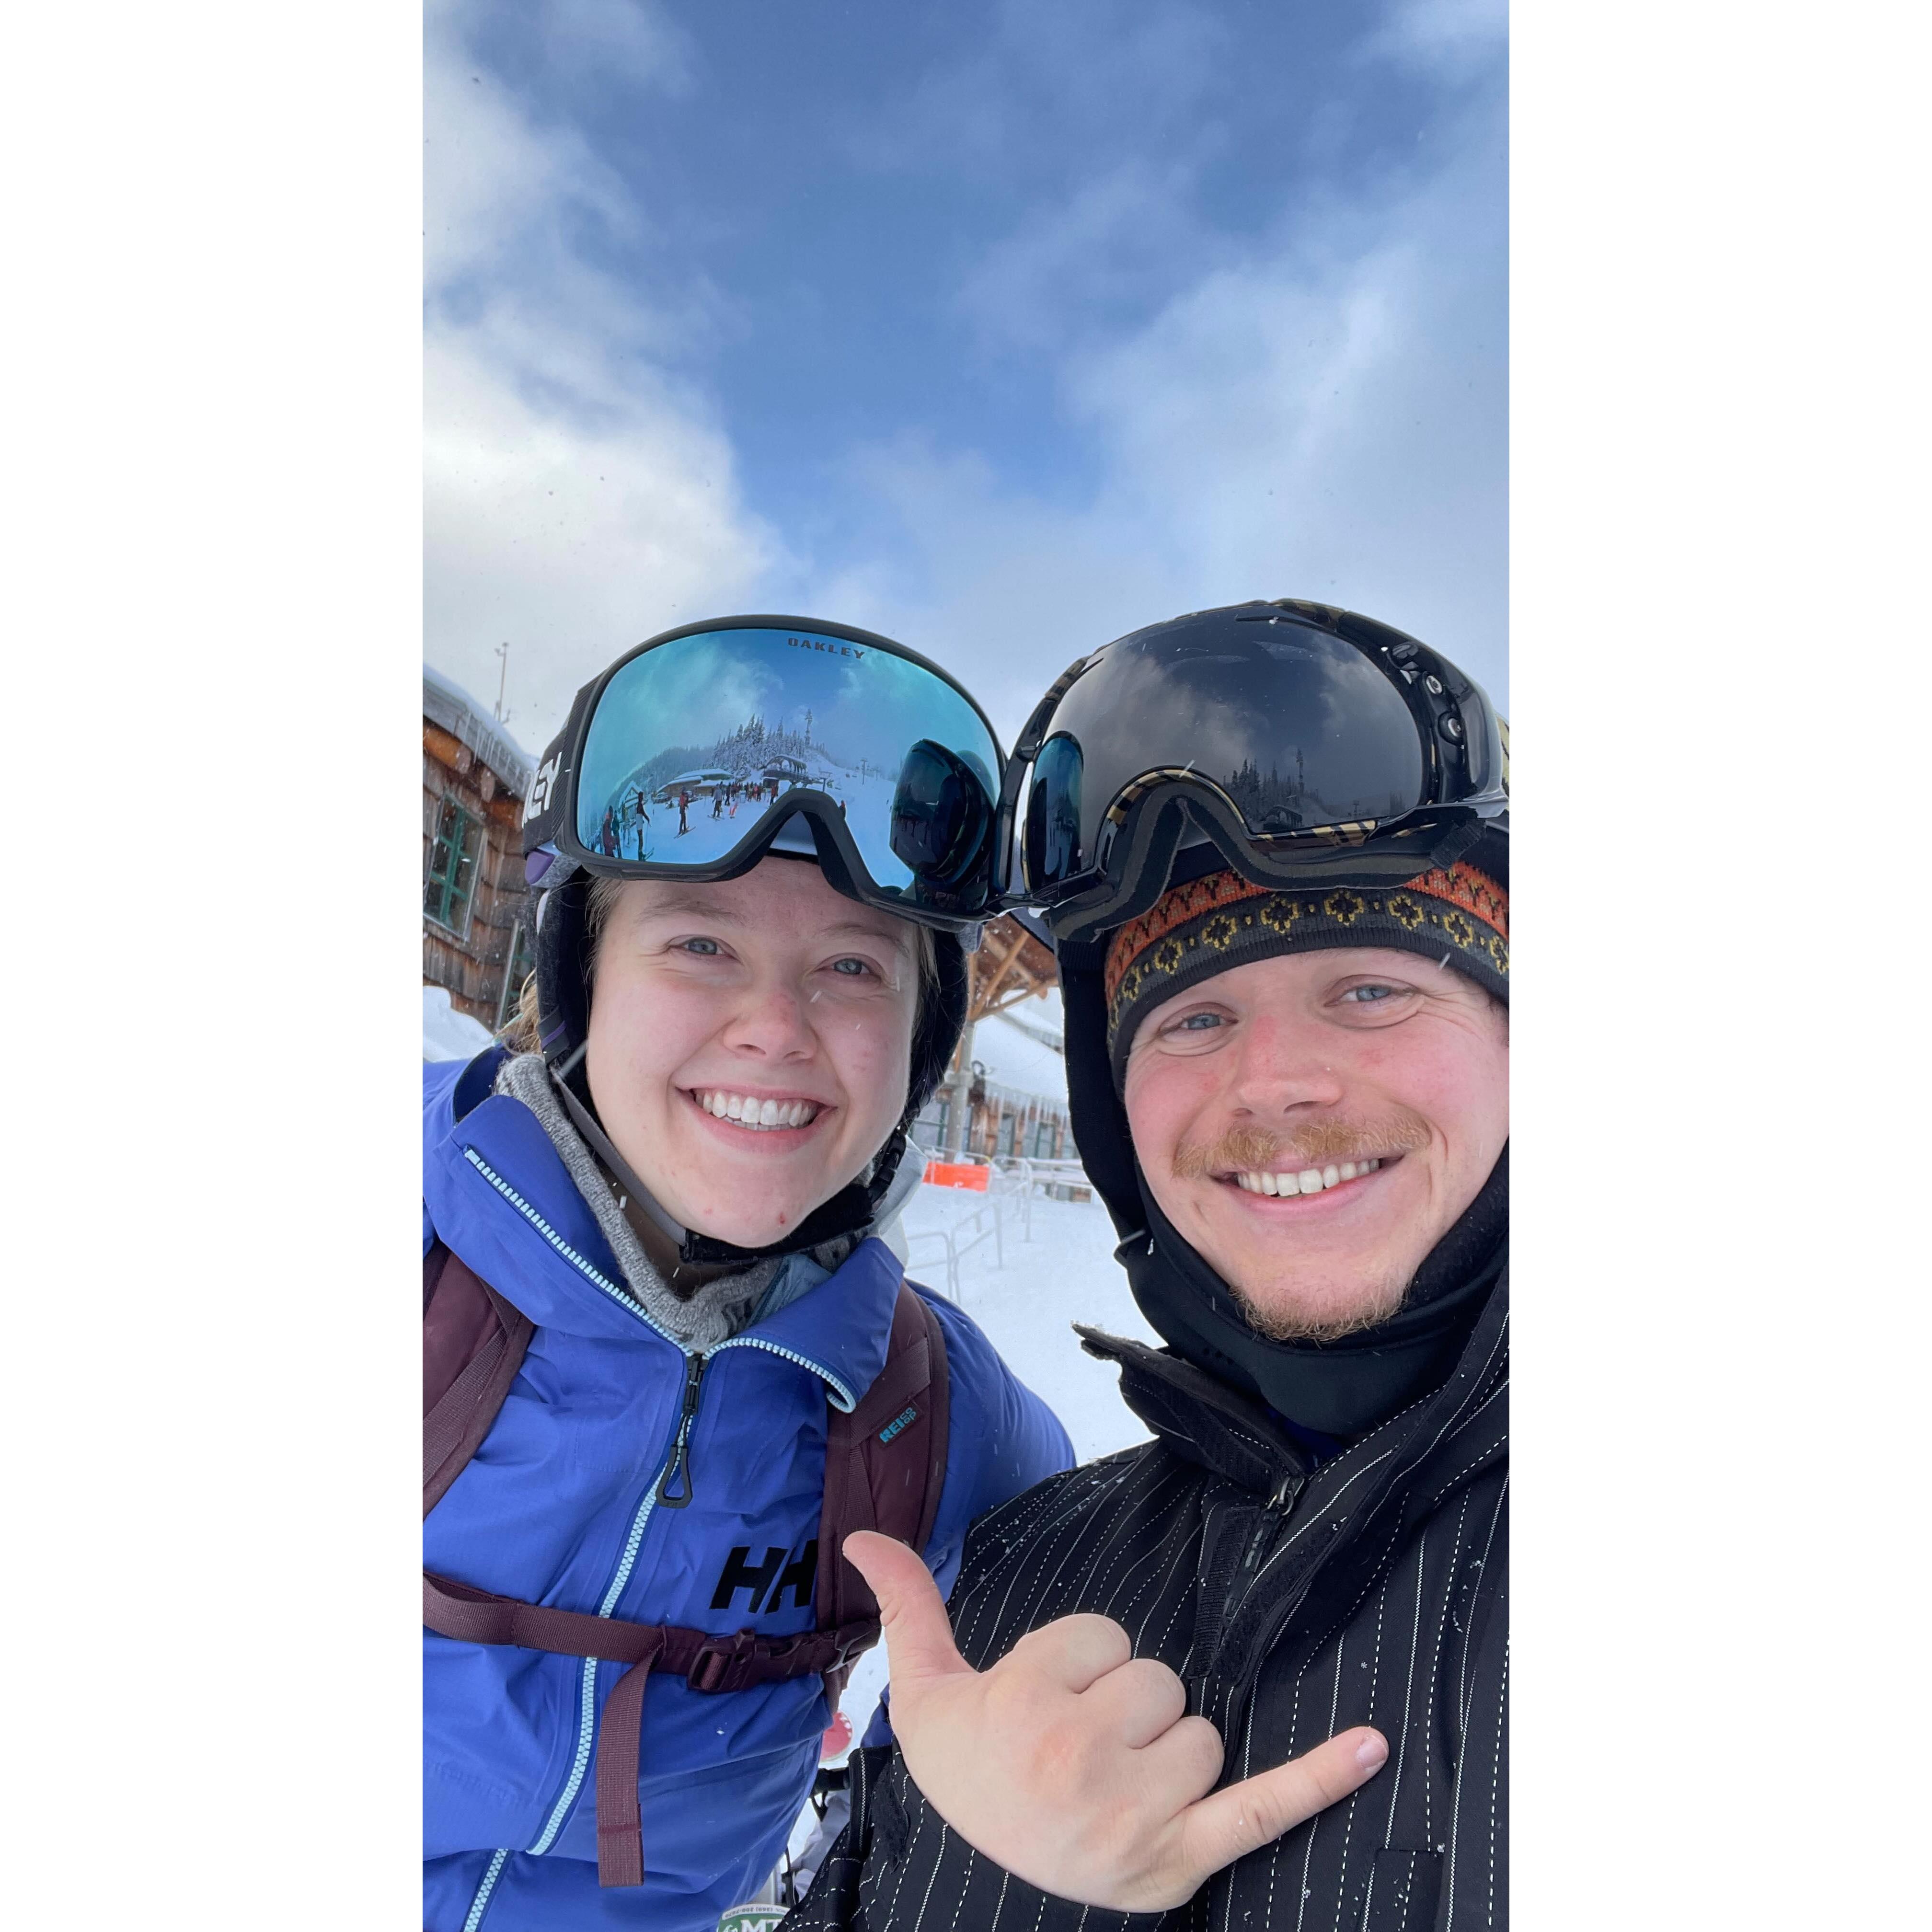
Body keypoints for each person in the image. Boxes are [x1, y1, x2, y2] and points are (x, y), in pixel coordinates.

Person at [790, 598, 1509, 1927]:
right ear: (1120, 1119)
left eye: (1370, 989)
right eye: (1199, 1014)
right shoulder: (1021, 1582)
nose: (1279, 1083)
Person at [423, 615, 1074, 1932]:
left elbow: (1092, 1675)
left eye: (849, 967)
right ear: (581, 981)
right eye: (700, 944)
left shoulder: (938, 1417)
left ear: (919, 1044)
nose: (775, 1029)